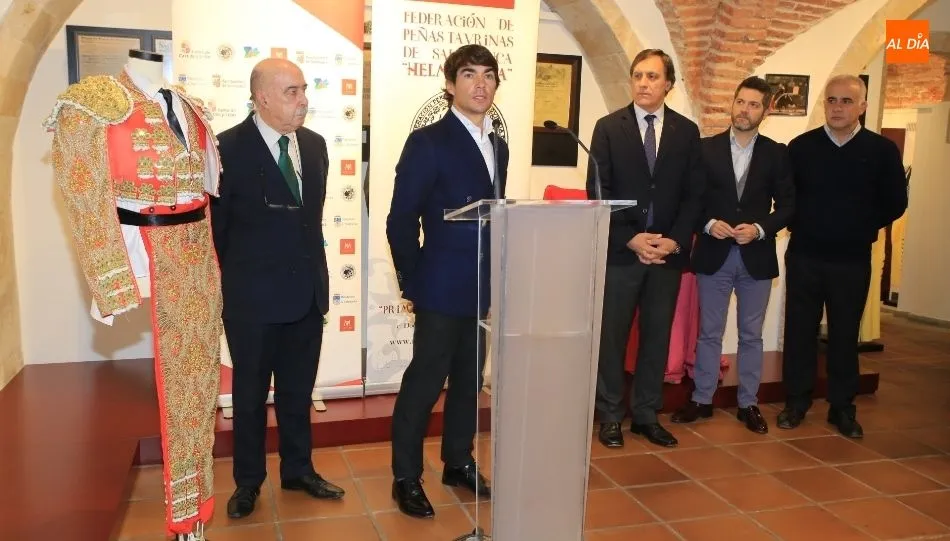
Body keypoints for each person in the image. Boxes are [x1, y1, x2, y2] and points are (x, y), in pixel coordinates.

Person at [46, 50, 222, 540]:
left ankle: (193, 512)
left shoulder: (189, 106)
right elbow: (84, 192)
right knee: (181, 384)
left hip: (195, 260)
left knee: (197, 386)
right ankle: (188, 516)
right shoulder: (92, 104)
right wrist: (113, 279)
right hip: (143, 248)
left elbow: (205, 196)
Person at [212, 57, 344, 519]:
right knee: (248, 398)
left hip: (307, 295)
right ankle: (248, 482)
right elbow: (218, 232)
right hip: (252, 301)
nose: (303, 100)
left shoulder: (315, 146)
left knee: (297, 392)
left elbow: (311, 221)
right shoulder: (225, 149)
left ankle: (298, 470)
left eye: (304, 89)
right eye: (291, 92)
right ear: (262, 97)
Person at [386, 44, 508, 519]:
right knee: (424, 382)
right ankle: (405, 476)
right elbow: (401, 219)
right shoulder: (429, 141)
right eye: (470, 75)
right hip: (438, 285)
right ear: (451, 84)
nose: (481, 84)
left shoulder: (499, 143)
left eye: (489, 76)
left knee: (469, 381)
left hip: (481, 286)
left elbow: (495, 218)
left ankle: (457, 460)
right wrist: (412, 281)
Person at [588, 49, 705, 449]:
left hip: (667, 252)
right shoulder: (608, 127)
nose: (643, 83)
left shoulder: (687, 132)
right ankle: (609, 416)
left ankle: (645, 415)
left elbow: (694, 195)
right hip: (623, 252)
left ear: (668, 84)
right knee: (612, 337)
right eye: (638, 75)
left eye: (653, 76)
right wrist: (630, 238)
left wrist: (673, 240)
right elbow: (598, 193)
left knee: (657, 337)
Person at [779, 74, 907, 438]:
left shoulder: (881, 150)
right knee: (800, 330)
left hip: (851, 259)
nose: (837, 107)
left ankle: (842, 407)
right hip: (805, 255)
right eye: (832, 100)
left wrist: (858, 226)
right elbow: (788, 199)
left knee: (844, 334)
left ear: (862, 107)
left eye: (846, 101)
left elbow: (896, 202)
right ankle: (797, 401)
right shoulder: (801, 147)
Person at [672, 76, 795, 434]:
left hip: (756, 257)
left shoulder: (777, 153)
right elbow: (689, 201)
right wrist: (708, 224)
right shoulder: (704, 149)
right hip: (714, 254)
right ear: (733, 103)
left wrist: (760, 229)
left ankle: (748, 403)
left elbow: (788, 207)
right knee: (709, 332)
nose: (745, 109)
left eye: (754, 104)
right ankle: (702, 398)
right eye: (741, 101)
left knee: (751, 335)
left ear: (765, 110)